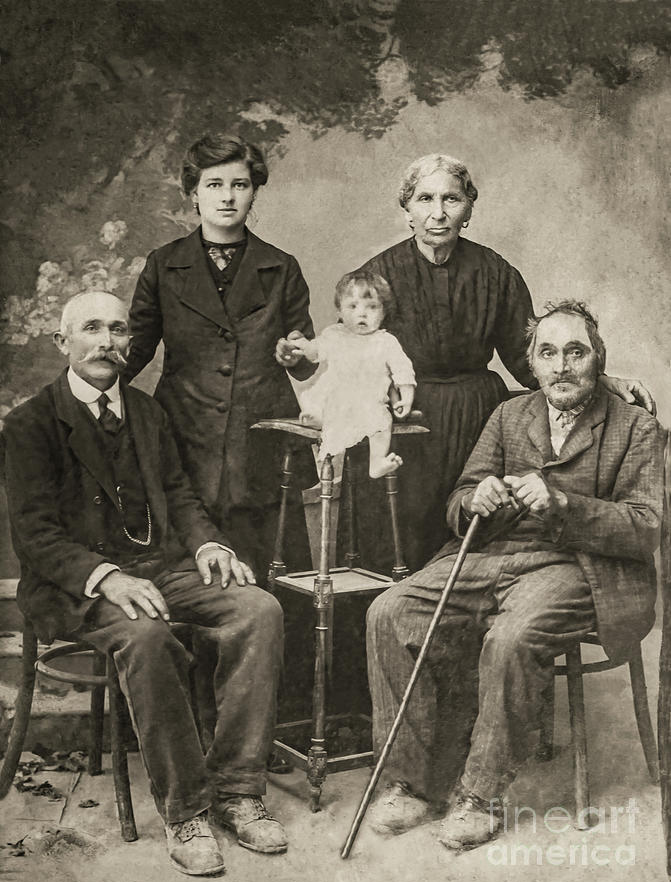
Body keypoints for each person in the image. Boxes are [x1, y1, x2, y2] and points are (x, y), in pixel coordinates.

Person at [2, 291, 289, 877]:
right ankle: (187, 810)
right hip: (74, 588)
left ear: (129, 343)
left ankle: (237, 789)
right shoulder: (30, 424)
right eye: (90, 329)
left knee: (258, 610)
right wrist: (105, 578)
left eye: (116, 330)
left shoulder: (147, 412)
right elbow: (34, 534)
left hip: (160, 570)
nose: (106, 342)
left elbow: (180, 494)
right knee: (149, 636)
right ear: (63, 342)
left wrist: (211, 544)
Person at [365, 300, 664, 851]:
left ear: (599, 359)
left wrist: (564, 505)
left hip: (581, 568)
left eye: (576, 351)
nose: (562, 366)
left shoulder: (636, 427)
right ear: (532, 362)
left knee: (511, 636)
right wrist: (476, 498)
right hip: (493, 558)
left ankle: (480, 795)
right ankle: (412, 782)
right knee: (389, 610)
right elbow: (459, 501)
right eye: (547, 353)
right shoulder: (510, 415)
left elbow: (648, 527)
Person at [291, 153, 652, 573]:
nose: (438, 213)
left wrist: (600, 380)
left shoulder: (495, 272)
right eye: (425, 199)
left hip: (477, 422)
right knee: (393, 546)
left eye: (452, 199)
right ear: (407, 208)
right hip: (404, 425)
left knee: (475, 533)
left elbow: (528, 359)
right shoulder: (376, 277)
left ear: (468, 208)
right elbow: (349, 356)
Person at [125, 133, 316, 581]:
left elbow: (306, 354)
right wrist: (85, 396)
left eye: (240, 184)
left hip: (261, 440)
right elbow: (135, 348)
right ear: (193, 193)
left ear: (254, 191)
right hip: (184, 435)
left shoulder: (281, 265)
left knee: (273, 571)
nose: (228, 197)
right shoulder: (163, 264)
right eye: (214, 185)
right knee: (190, 569)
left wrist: (297, 354)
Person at [293, 270, 416, 478]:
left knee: (382, 422)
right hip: (335, 394)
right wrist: (302, 345)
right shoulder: (334, 334)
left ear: (384, 312)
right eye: (352, 306)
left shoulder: (385, 341)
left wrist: (407, 398)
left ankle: (376, 462)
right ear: (339, 311)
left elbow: (403, 370)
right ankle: (318, 418)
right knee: (322, 402)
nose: (362, 313)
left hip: (369, 399)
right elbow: (316, 351)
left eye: (372, 307)